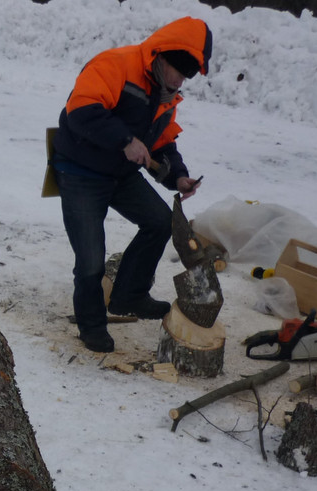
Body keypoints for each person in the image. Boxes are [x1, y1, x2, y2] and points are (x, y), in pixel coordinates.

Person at [51, 17, 212, 353]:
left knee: (159, 221)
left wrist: (177, 176)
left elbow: (163, 143)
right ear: (163, 57)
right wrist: (124, 140)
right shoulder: (116, 64)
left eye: (187, 76)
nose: (181, 81)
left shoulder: (165, 92)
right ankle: (92, 324)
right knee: (91, 258)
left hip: (119, 174)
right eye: (179, 72)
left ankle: (129, 295)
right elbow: (80, 111)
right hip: (79, 170)